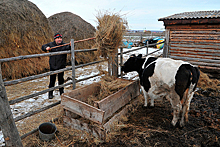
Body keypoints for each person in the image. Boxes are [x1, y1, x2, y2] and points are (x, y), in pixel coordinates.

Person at [42, 33, 71, 99]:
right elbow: (43, 46)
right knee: (52, 81)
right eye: (58, 38)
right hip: (53, 66)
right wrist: (46, 48)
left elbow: (69, 48)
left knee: (61, 80)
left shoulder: (64, 45)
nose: (59, 39)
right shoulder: (51, 45)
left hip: (61, 66)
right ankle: (50, 93)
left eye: (60, 38)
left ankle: (61, 92)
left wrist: (71, 45)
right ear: (55, 39)